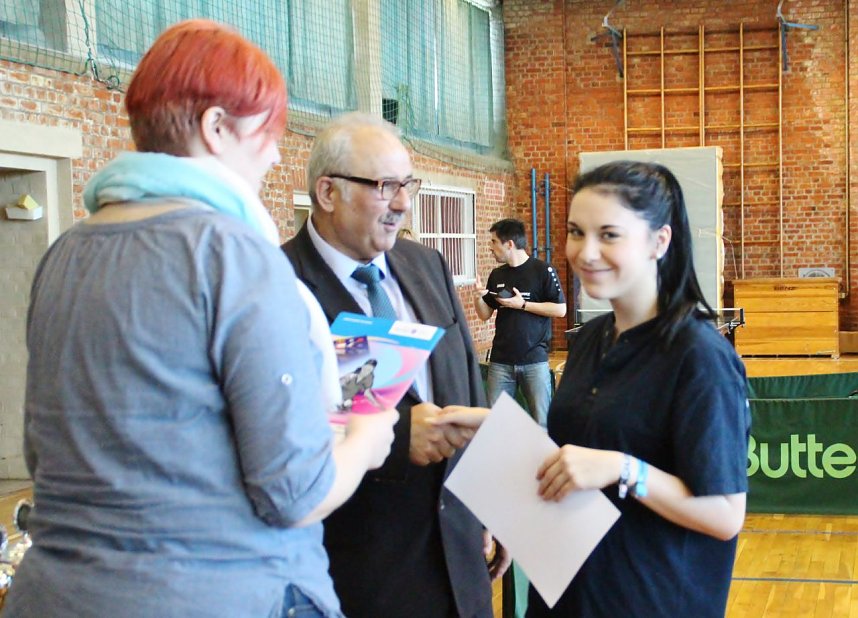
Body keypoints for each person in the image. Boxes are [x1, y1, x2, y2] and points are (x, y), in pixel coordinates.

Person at [4, 20, 397, 618]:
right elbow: (295, 492)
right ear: (216, 127)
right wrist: (367, 439)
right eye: (265, 132)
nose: (272, 153)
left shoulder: (65, 253)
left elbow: (46, 451)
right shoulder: (234, 255)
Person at [282, 111, 509, 618]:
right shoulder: (279, 287)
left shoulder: (423, 264)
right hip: (365, 573)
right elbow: (278, 436)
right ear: (327, 193)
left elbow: (468, 383)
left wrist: (497, 501)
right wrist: (400, 434)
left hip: (463, 561)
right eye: (385, 186)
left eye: (407, 184)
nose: (404, 203)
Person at [528, 161, 751, 616]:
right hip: (567, 593)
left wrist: (626, 469)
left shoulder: (699, 355)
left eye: (609, 235)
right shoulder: (590, 338)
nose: (585, 252)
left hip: (651, 599)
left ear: (659, 241)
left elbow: (726, 514)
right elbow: (575, 461)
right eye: (575, 232)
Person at [474, 218, 567, 427]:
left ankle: (542, 460)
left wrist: (522, 305)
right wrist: (478, 296)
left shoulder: (542, 270)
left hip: (534, 360)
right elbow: (485, 314)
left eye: (493, 242)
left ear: (509, 244)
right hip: (500, 361)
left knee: (541, 423)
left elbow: (560, 309)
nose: (490, 248)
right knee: (495, 423)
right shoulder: (497, 274)